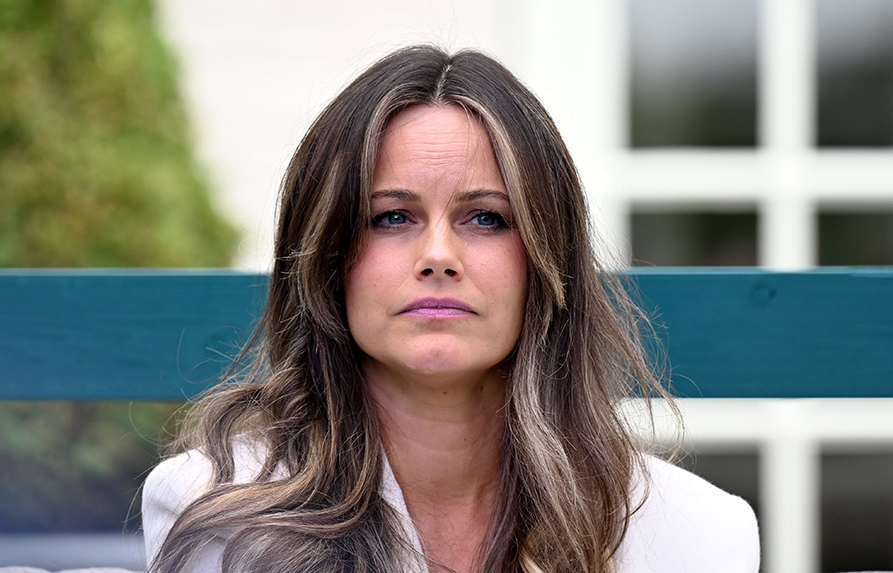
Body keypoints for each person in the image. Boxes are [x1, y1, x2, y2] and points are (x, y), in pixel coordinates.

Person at [142, 45, 759, 572]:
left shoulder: (699, 534)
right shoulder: (217, 511)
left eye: (485, 218)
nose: (438, 255)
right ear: (326, 258)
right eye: (391, 217)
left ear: (547, 261)